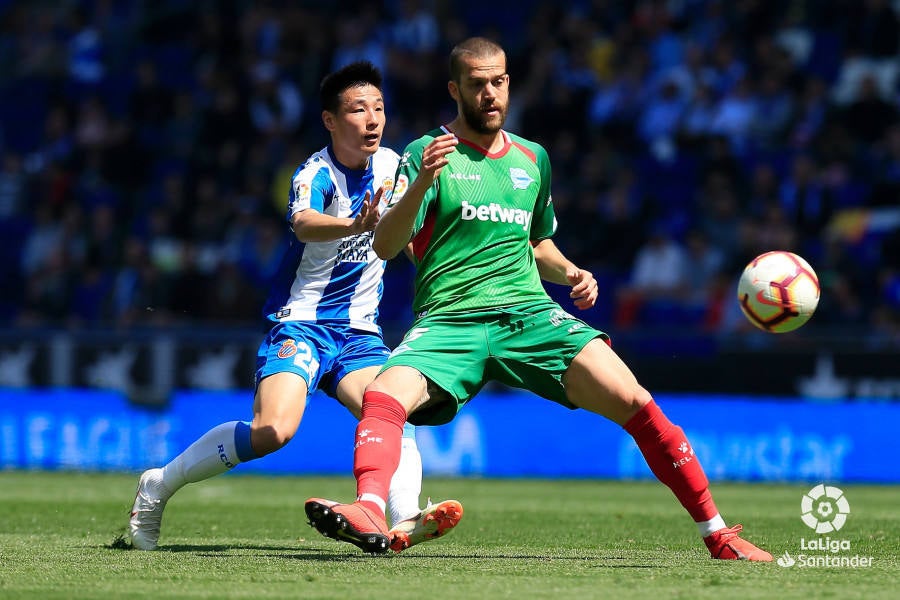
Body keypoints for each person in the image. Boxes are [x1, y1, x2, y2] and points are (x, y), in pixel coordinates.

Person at [305, 38, 773, 561]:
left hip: (530, 316)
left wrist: (572, 271)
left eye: (499, 81)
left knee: (636, 400)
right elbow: (386, 245)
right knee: (383, 396)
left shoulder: (534, 159)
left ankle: (719, 534)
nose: (490, 93)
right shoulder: (422, 155)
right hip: (450, 320)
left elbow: (537, 242)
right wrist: (422, 184)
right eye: (478, 84)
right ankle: (369, 508)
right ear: (455, 89)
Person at [129, 61, 462, 553]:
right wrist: (354, 225)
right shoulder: (315, 173)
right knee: (273, 431)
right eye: (358, 110)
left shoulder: (395, 167)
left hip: (359, 333)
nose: (372, 119)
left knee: (394, 409)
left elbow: (407, 230)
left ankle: (402, 518)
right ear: (330, 120)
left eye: (379, 108)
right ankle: (158, 485)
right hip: (301, 324)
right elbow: (304, 223)